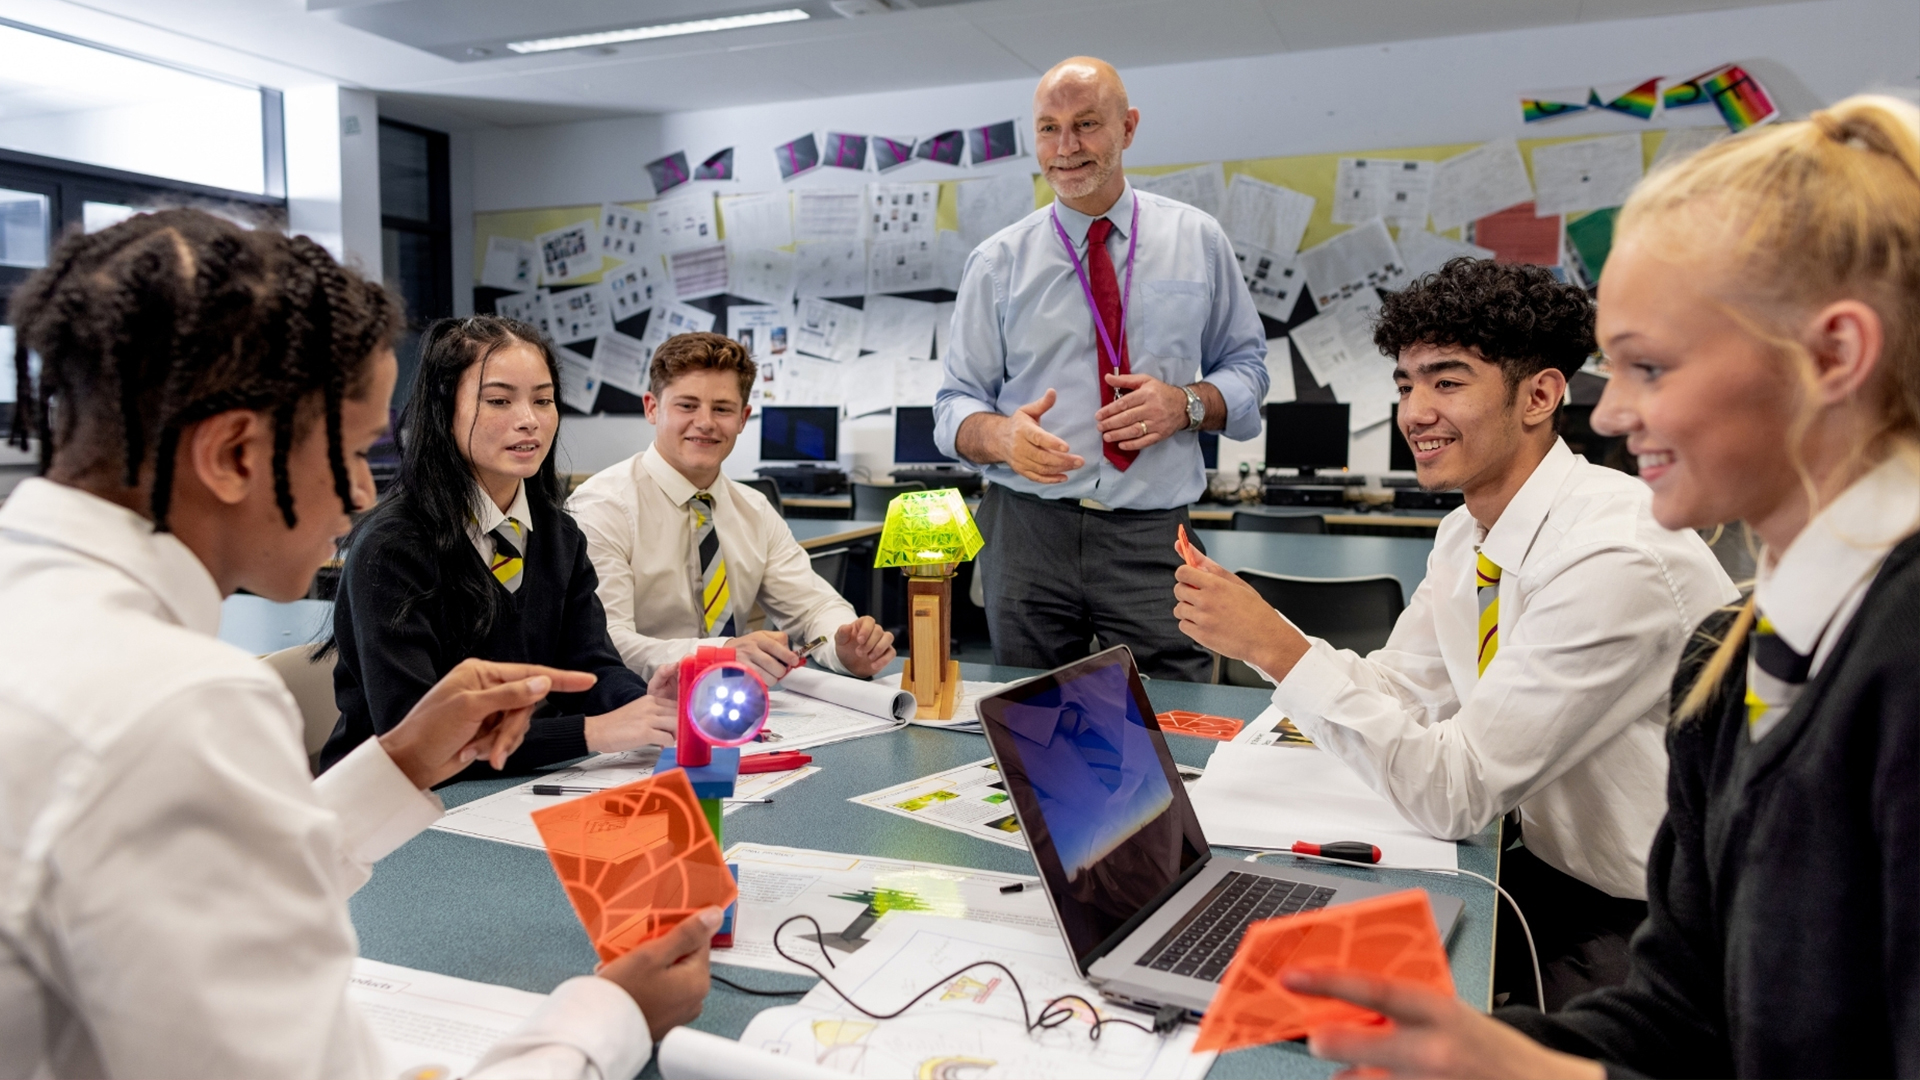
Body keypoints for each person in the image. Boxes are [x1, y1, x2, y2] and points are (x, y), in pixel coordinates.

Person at [1270, 95, 1920, 1079]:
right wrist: (1484, 1056)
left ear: (1833, 355)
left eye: (1649, 366)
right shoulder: (1742, 654)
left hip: (1597, 908)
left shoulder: (1895, 664)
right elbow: (1689, 1016)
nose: (1611, 414)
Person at [0, 210, 716, 1077]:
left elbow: (224, 893)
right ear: (232, 454)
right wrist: (611, 1015)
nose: (353, 498)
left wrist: (401, 764)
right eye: (349, 451)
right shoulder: (178, 705)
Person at [1173, 257, 1737, 1009]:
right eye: (1406, 385)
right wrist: (1271, 634)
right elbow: (1403, 688)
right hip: (1536, 864)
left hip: (1655, 926)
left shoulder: (1611, 556)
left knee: (1371, 1019)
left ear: (1540, 395)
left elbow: (1457, 792)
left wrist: (1274, 647)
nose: (1414, 412)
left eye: (1447, 381)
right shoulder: (1468, 533)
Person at [935, 56, 1268, 681]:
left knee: (1176, 721)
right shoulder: (996, 262)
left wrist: (1186, 404)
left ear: (1128, 128)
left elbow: (1247, 368)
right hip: (1026, 527)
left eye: (1086, 124)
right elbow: (955, 403)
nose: (1066, 148)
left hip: (1150, 533)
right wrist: (1000, 436)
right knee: (1032, 723)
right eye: (1048, 128)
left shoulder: (1196, 239)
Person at [320, 316, 674, 775]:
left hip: (517, 783)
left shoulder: (558, 536)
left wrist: (647, 708)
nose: (529, 420)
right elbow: (415, 730)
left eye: (543, 400)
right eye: (499, 401)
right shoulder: (392, 547)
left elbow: (592, 665)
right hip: (395, 802)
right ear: (444, 410)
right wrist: (593, 732)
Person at [570, 331, 895, 685]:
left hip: (734, 703)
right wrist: (719, 654)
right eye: (687, 405)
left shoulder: (754, 509)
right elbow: (606, 642)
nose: (706, 422)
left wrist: (843, 647)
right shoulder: (603, 507)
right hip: (635, 704)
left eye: (722, 409)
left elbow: (814, 607)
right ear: (652, 407)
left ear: (743, 418)